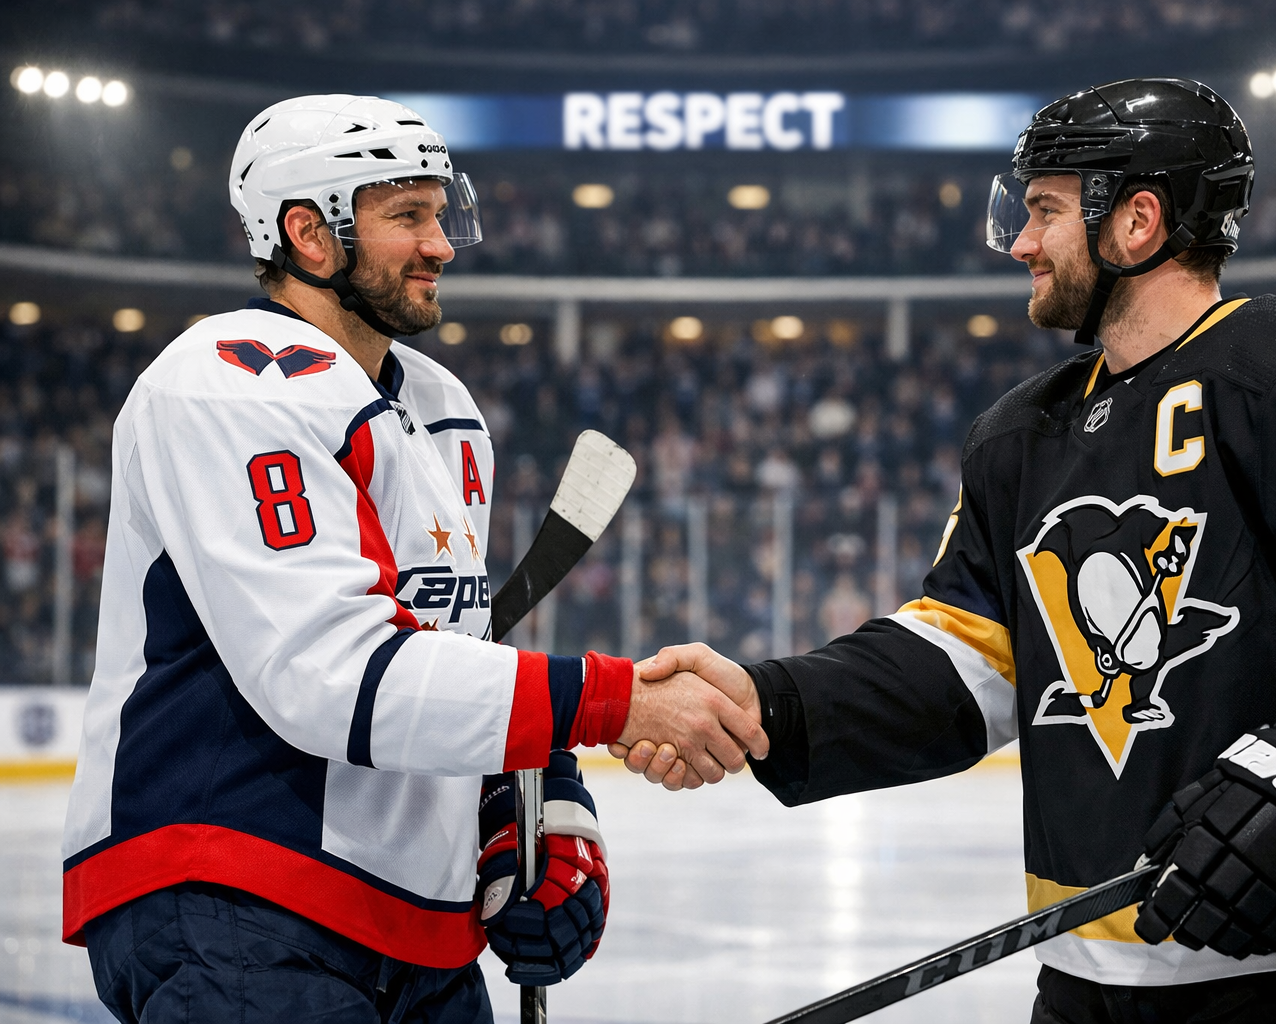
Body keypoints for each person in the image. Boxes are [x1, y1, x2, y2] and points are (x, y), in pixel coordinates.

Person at [617, 78, 1276, 1022]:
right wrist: (765, 703)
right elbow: (960, 668)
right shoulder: (1022, 436)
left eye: (1046, 210)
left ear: (1137, 221)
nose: (1021, 242)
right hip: (1094, 969)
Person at [61, 94, 764, 1024]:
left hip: (416, 921)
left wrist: (536, 799)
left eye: (441, 213)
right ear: (309, 234)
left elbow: (448, 648)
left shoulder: (441, 406)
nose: (441, 245)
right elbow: (329, 671)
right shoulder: (232, 381)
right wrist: (615, 701)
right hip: (240, 894)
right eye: (407, 216)